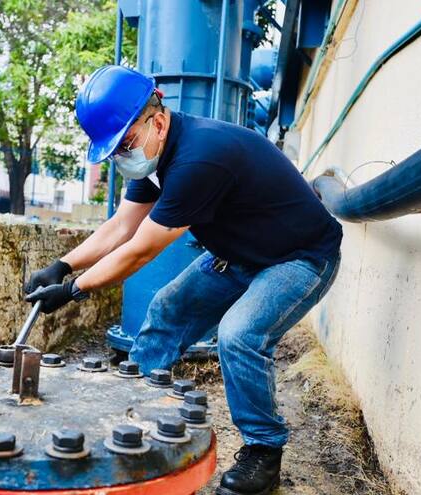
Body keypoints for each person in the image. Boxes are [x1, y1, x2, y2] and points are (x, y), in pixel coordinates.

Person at [25, 65, 342, 495]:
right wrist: (62, 265)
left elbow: (139, 249)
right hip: (240, 256)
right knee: (167, 308)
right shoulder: (155, 157)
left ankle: (264, 453)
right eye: (114, 150)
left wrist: (74, 290)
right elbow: (121, 228)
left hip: (300, 259)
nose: (122, 156)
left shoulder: (199, 158)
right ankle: (130, 402)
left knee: (239, 336)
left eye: (125, 144)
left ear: (156, 119)